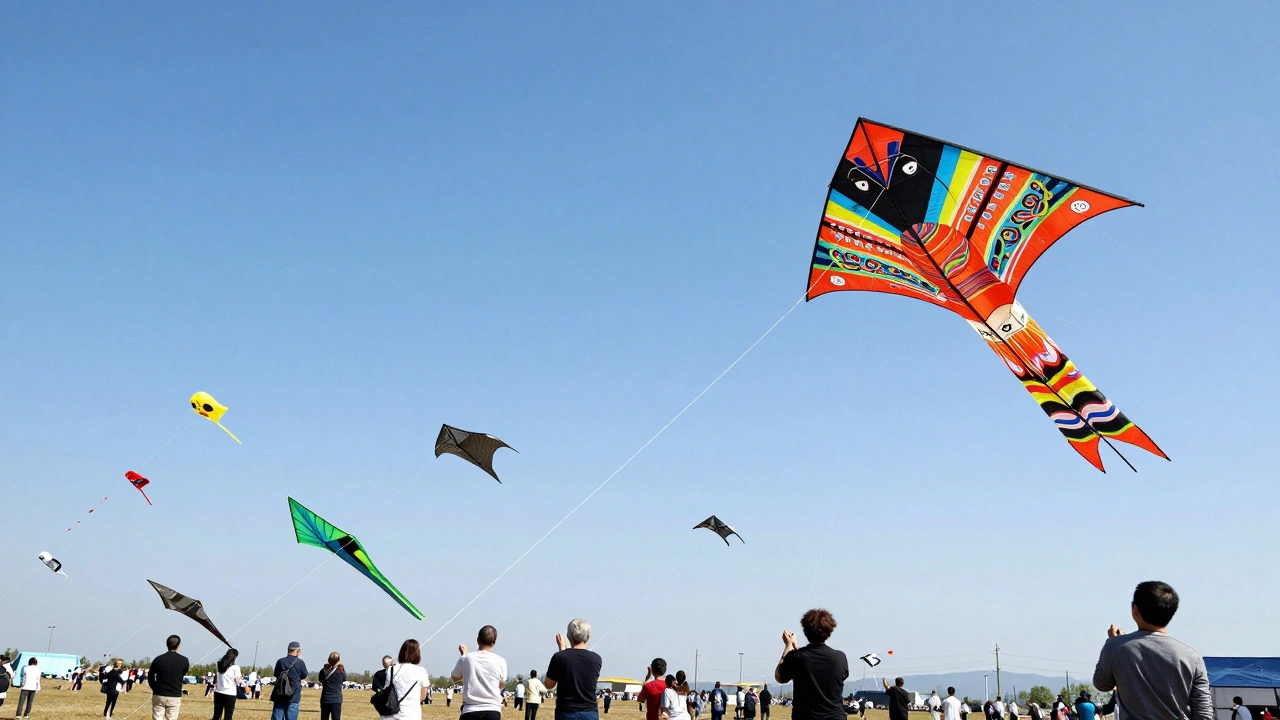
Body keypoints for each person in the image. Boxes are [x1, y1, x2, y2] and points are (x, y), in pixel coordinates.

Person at [1093, 581, 1211, 720]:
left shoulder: (1115, 647)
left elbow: (1102, 684)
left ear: (1135, 609)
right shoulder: (1192, 657)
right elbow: (1204, 713)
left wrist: (1116, 641)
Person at [775, 608, 850, 720]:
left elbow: (779, 676)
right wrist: (796, 650)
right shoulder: (840, 658)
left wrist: (788, 646)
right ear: (829, 630)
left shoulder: (797, 657)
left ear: (805, 631)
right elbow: (813, 666)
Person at [544, 618, 603, 720]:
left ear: (568, 636)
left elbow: (549, 684)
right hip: (589, 711)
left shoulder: (559, 657)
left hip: (566, 711)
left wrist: (562, 650)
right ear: (588, 636)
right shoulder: (596, 659)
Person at [451, 625, 508, 720]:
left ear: (478, 639)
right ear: (494, 642)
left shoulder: (467, 658)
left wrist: (464, 656)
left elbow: (454, 677)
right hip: (493, 710)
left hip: (470, 710)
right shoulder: (501, 661)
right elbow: (501, 684)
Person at [380, 639, 430, 720]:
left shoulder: (391, 669)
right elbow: (423, 696)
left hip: (390, 715)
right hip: (411, 715)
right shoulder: (421, 671)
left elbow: (386, 691)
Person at [149, 635, 189, 720]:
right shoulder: (184, 660)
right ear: (178, 646)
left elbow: (150, 676)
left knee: (157, 717)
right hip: (174, 695)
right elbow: (183, 672)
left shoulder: (158, 659)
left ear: (166, 645)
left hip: (159, 694)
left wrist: (155, 688)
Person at [270, 642, 309, 720]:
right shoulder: (300, 662)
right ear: (297, 651)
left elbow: (276, 674)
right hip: (293, 695)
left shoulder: (280, 661)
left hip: (280, 694)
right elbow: (304, 675)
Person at [212, 649, 242, 720]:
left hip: (218, 692)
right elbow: (238, 681)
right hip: (230, 694)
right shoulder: (236, 667)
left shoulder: (219, 664)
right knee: (228, 716)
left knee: (217, 715)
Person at [319, 652, 347, 720]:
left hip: (325, 698)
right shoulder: (340, 671)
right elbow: (344, 679)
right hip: (336, 698)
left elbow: (320, 679)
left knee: (324, 717)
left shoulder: (323, 671)